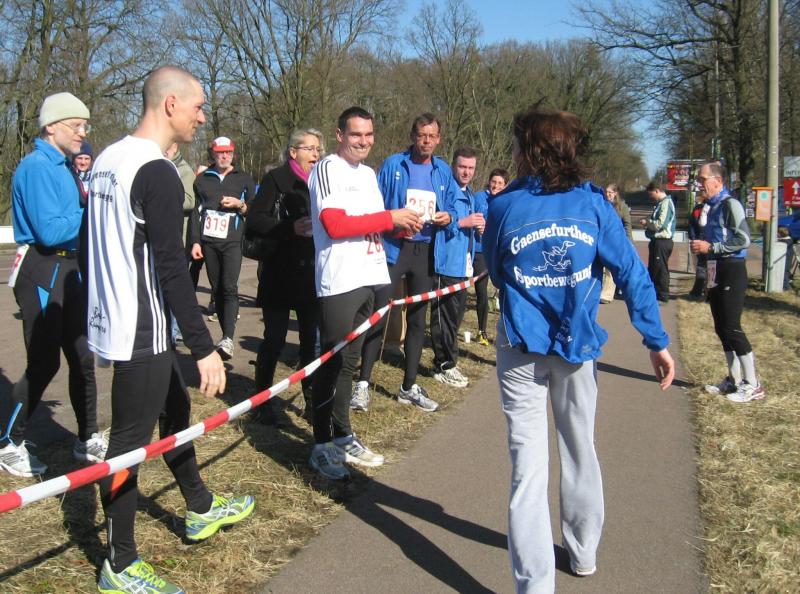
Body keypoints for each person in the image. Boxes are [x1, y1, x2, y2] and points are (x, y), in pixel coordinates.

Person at [484, 107, 675, 592]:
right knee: (577, 449)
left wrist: (655, 337)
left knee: (528, 469)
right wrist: (655, 341)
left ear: (532, 151)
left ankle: (536, 585)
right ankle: (583, 551)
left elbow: (496, 270)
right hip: (572, 347)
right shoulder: (593, 206)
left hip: (524, 347)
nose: (512, 151)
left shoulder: (504, 207)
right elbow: (631, 273)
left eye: (518, 144)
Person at [87, 65, 254, 593]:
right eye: (198, 106)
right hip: (142, 328)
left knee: (176, 412)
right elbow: (171, 268)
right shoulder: (156, 170)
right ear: (170, 104)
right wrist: (203, 347)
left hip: (119, 319)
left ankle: (199, 507)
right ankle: (119, 563)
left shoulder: (107, 159)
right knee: (127, 445)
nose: (202, 118)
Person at [308, 106, 422, 480]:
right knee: (331, 364)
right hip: (340, 280)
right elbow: (334, 224)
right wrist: (390, 217)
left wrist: (400, 226)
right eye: (356, 134)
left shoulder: (370, 174)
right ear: (339, 135)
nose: (363, 141)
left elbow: (371, 224)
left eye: (369, 134)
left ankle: (342, 435)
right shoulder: (327, 168)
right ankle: (320, 445)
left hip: (371, 275)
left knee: (349, 365)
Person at [0, 92, 107, 478]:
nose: (83, 132)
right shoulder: (36, 167)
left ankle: (87, 437)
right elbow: (49, 230)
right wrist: (92, 210)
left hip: (69, 268)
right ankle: (9, 442)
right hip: (42, 269)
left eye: (85, 125)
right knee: (44, 361)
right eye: (76, 125)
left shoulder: (64, 166)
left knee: (82, 357)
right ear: (51, 127)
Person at [351, 113, 458, 413]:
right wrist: (393, 222)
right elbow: (376, 205)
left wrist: (448, 216)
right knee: (379, 314)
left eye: (432, 136)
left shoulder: (443, 170)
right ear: (413, 136)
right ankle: (362, 384)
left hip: (425, 252)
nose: (426, 141)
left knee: (417, 320)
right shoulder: (393, 165)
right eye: (421, 135)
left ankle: (408, 386)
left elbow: (452, 206)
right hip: (393, 249)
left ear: (438, 139)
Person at [247, 128, 324, 424]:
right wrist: (289, 228)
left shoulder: (321, 182)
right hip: (278, 273)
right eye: (310, 149)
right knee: (275, 339)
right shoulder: (275, 179)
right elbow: (255, 220)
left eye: (318, 149)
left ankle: (312, 402)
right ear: (293, 152)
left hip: (310, 274)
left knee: (311, 342)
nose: (316, 154)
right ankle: (262, 403)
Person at [690, 161, 764, 402]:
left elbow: (744, 239)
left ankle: (752, 384)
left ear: (718, 181)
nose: (699, 184)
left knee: (732, 327)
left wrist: (712, 247)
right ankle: (733, 380)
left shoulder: (731, 204)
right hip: (716, 268)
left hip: (732, 268)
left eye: (702, 180)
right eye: (698, 180)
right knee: (721, 327)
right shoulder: (710, 206)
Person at [189, 136, 255, 359]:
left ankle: (228, 338)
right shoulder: (202, 180)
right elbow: (195, 213)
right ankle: (224, 333)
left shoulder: (243, 178)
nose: (224, 156)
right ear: (213, 154)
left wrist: (240, 205)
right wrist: (195, 241)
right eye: (220, 152)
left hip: (233, 242)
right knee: (216, 288)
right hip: (209, 242)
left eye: (228, 152)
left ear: (233, 154)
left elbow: (255, 209)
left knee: (229, 287)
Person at [428, 147, 484, 383]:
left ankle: (450, 362)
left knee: (456, 317)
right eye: (462, 167)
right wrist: (462, 222)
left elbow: (468, 228)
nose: (466, 172)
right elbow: (437, 221)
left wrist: (479, 228)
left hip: (463, 265)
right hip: (446, 263)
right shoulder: (446, 189)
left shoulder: (470, 194)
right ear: (453, 166)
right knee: (444, 318)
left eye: (471, 168)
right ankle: (443, 365)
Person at [472, 168, 509, 344]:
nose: (496, 186)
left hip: (487, 253)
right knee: (460, 293)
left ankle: (482, 331)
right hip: (471, 249)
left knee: (481, 292)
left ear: (505, 186)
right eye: (494, 182)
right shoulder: (478, 197)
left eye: (500, 183)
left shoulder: (506, 202)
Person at [165, 141, 197, 343]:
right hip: (166, 235)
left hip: (180, 237)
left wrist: (160, 197)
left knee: (175, 287)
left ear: (175, 147)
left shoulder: (183, 170)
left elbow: (189, 201)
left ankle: (174, 331)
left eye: (166, 147)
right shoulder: (160, 165)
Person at [640, 181, 675, 303]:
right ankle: (654, 292)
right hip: (656, 241)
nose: (651, 197)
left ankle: (663, 294)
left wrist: (647, 223)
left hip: (663, 241)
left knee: (660, 268)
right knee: (654, 268)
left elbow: (661, 224)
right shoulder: (660, 204)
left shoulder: (666, 203)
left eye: (651, 194)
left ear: (657, 191)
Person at [599, 183, 633, 303]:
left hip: (616, 241)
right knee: (601, 268)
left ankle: (607, 295)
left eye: (610, 192)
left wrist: (629, 242)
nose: (607, 194)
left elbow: (627, 225)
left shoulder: (622, 207)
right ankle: (603, 290)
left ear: (615, 193)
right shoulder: (602, 204)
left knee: (610, 267)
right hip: (602, 240)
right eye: (606, 192)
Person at [687, 184, 709, 298]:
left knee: (702, 265)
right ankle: (701, 289)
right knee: (703, 265)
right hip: (702, 240)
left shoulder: (698, 209)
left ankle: (699, 289)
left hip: (704, 240)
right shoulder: (698, 209)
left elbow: (691, 224)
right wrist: (694, 238)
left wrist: (693, 237)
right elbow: (692, 224)